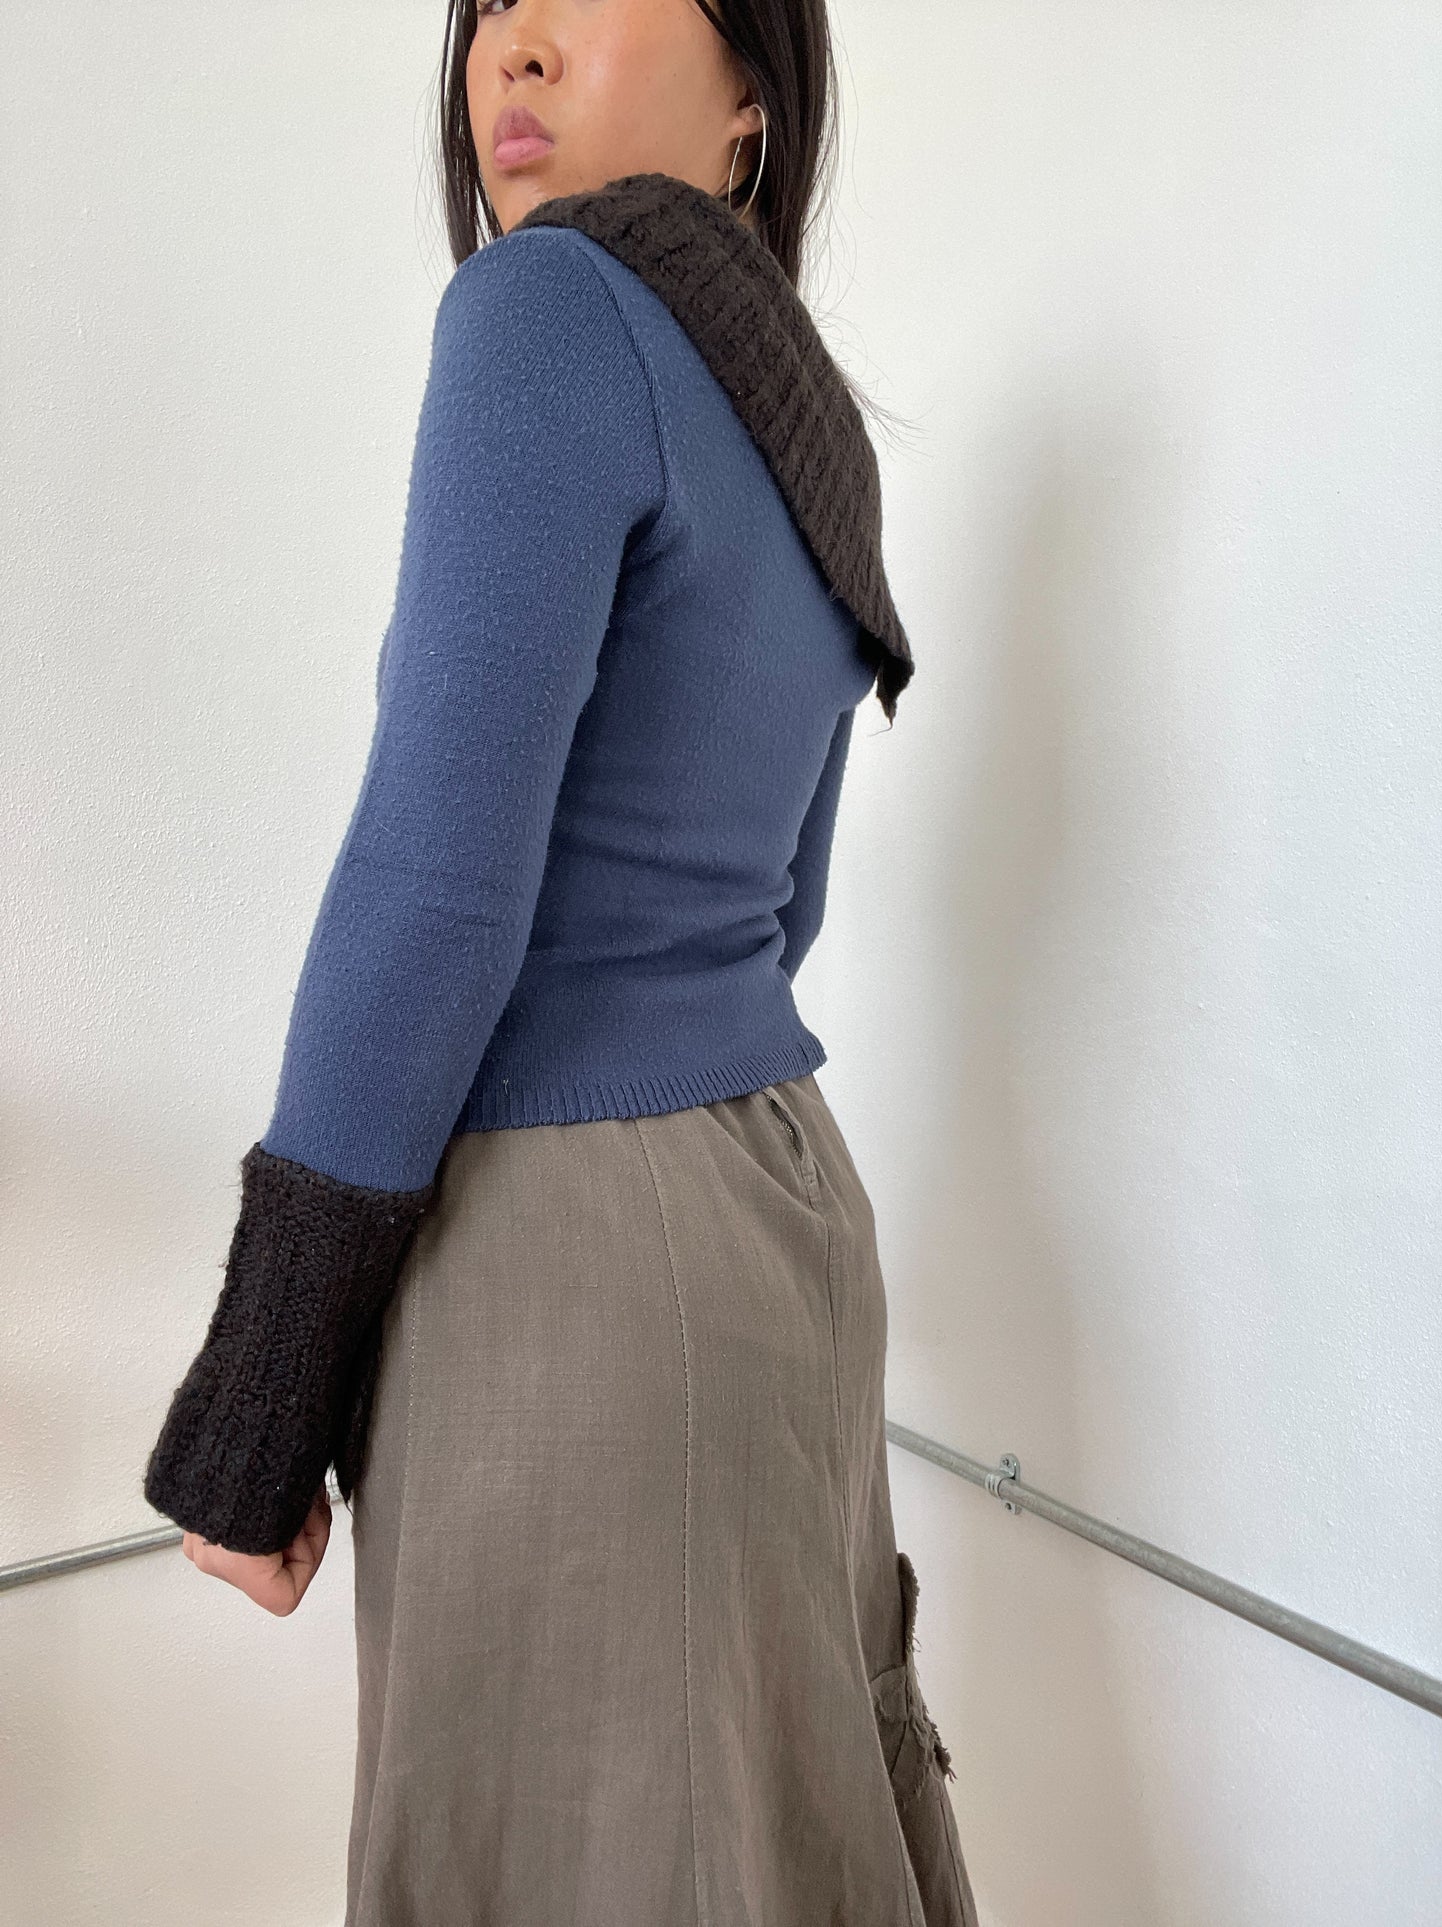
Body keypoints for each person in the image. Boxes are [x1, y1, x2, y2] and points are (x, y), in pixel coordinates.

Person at [142, 1, 980, 1921]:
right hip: (785, 1214)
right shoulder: (799, 414)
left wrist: (262, 1399)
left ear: (755, 92)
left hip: (573, 1264)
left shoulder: (546, 313)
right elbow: (785, 908)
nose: (509, 49)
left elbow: (437, 886)